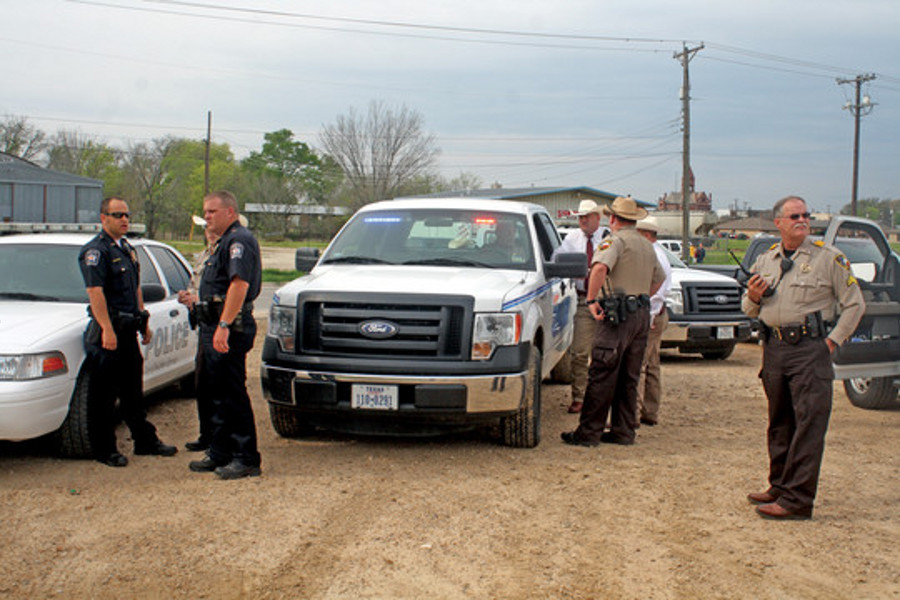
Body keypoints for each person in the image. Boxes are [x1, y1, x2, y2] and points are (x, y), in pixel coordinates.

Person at [742, 195, 864, 520]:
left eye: (805, 215)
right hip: (775, 348)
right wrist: (754, 297)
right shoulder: (767, 260)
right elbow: (749, 307)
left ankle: (797, 500)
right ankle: (779, 485)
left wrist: (832, 342)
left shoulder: (829, 259)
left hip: (811, 349)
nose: (802, 220)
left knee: (809, 424)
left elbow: (855, 305)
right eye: (794, 215)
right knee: (780, 422)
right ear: (778, 222)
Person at [78, 196, 177, 467]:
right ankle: (105, 450)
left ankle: (144, 441)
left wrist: (143, 320)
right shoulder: (95, 252)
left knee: (134, 392)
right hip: (107, 335)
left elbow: (135, 289)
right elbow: (95, 293)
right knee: (104, 398)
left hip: (128, 331)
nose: (124, 220)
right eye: (117, 215)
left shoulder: (127, 249)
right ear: (103, 218)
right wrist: (107, 330)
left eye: (126, 215)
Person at [561, 196, 665, 447]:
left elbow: (598, 269)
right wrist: (640, 298)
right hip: (639, 313)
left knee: (602, 372)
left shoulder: (614, 242)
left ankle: (588, 433)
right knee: (629, 377)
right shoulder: (646, 245)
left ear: (613, 218)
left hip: (617, 314)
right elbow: (658, 279)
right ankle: (623, 430)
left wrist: (593, 300)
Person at [185, 191, 263, 480]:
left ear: (230, 212)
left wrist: (224, 325)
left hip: (228, 328)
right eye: (205, 212)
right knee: (215, 394)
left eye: (212, 211)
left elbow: (239, 285)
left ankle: (246, 457)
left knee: (232, 394)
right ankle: (220, 451)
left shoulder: (238, 240)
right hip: (212, 325)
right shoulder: (221, 243)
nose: (206, 216)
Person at [553, 199, 611, 413]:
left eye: (587, 216)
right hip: (582, 300)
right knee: (579, 352)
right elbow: (556, 258)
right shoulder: (572, 238)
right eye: (580, 217)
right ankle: (580, 396)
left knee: (606, 354)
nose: (583, 220)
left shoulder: (609, 238)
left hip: (606, 300)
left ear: (598, 217)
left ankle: (601, 398)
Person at [179, 218, 220, 452]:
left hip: (218, 324)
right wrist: (189, 298)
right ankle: (207, 434)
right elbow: (197, 285)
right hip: (203, 323)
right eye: (207, 229)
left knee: (218, 385)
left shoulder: (228, 255)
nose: (209, 232)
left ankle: (220, 438)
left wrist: (199, 300)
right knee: (202, 383)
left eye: (213, 229)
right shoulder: (206, 255)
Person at [635, 216, 673, 426]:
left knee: (640, 364)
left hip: (652, 314)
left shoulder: (653, 255)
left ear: (646, 235)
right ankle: (649, 411)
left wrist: (647, 316)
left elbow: (656, 290)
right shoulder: (659, 253)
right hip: (658, 313)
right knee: (652, 364)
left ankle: (633, 414)